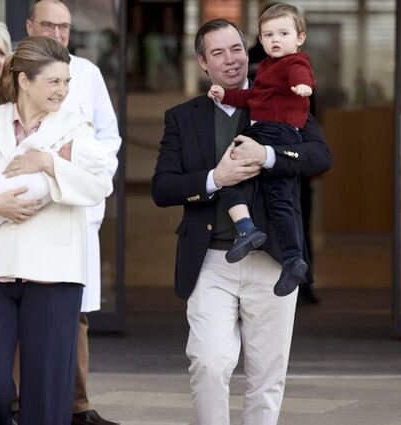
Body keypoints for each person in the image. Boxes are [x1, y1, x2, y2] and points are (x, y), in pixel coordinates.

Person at [151, 18, 332, 425]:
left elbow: (321, 157)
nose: (230, 59)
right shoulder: (182, 117)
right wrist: (217, 179)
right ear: (202, 62)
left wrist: (268, 158)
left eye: (236, 48)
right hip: (212, 261)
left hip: (273, 262)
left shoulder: (281, 98)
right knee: (209, 363)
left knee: (267, 376)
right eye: (217, 52)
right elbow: (162, 188)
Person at [0, 35, 112, 425]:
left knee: (47, 393)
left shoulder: (76, 128)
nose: (63, 91)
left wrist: (47, 162)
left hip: (55, 275)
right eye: (54, 82)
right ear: (23, 80)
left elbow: (100, 184)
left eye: (67, 82)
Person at [24, 2, 122, 425]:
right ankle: (17, 404)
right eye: (49, 25)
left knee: (74, 311)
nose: (58, 33)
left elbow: (108, 140)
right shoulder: (16, 74)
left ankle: (77, 406)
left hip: (74, 209)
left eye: (64, 26)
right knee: (20, 304)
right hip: (24, 211)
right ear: (29, 27)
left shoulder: (88, 74)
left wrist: (80, 179)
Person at [206, 2, 315, 297]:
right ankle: (290, 257)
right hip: (267, 129)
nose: (275, 40)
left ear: (299, 38)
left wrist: (303, 87)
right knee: (268, 195)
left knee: (230, 173)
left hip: (276, 131)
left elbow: (301, 75)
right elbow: (252, 96)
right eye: (268, 35)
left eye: (283, 33)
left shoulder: (294, 63)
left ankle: (249, 230)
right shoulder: (267, 66)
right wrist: (226, 95)